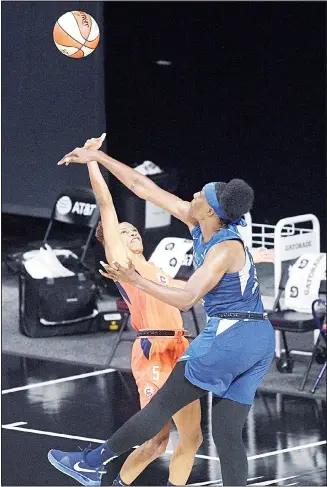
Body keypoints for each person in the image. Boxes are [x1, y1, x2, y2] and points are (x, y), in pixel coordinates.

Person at [48, 143, 276, 487]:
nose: (192, 195)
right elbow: (143, 188)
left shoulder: (223, 246)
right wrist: (98, 158)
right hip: (256, 339)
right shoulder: (200, 223)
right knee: (227, 432)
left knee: (163, 415)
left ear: (211, 212)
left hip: (229, 335)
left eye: (199, 195)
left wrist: (135, 279)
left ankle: (92, 463)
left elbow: (186, 298)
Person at [52, 134, 203, 487]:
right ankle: (113, 480)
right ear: (110, 239)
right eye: (122, 230)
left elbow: (193, 293)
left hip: (182, 349)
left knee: (192, 438)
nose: (131, 232)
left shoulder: (158, 270)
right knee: (156, 438)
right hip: (153, 350)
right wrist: (92, 158)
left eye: (133, 229)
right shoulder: (122, 263)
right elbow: (106, 203)